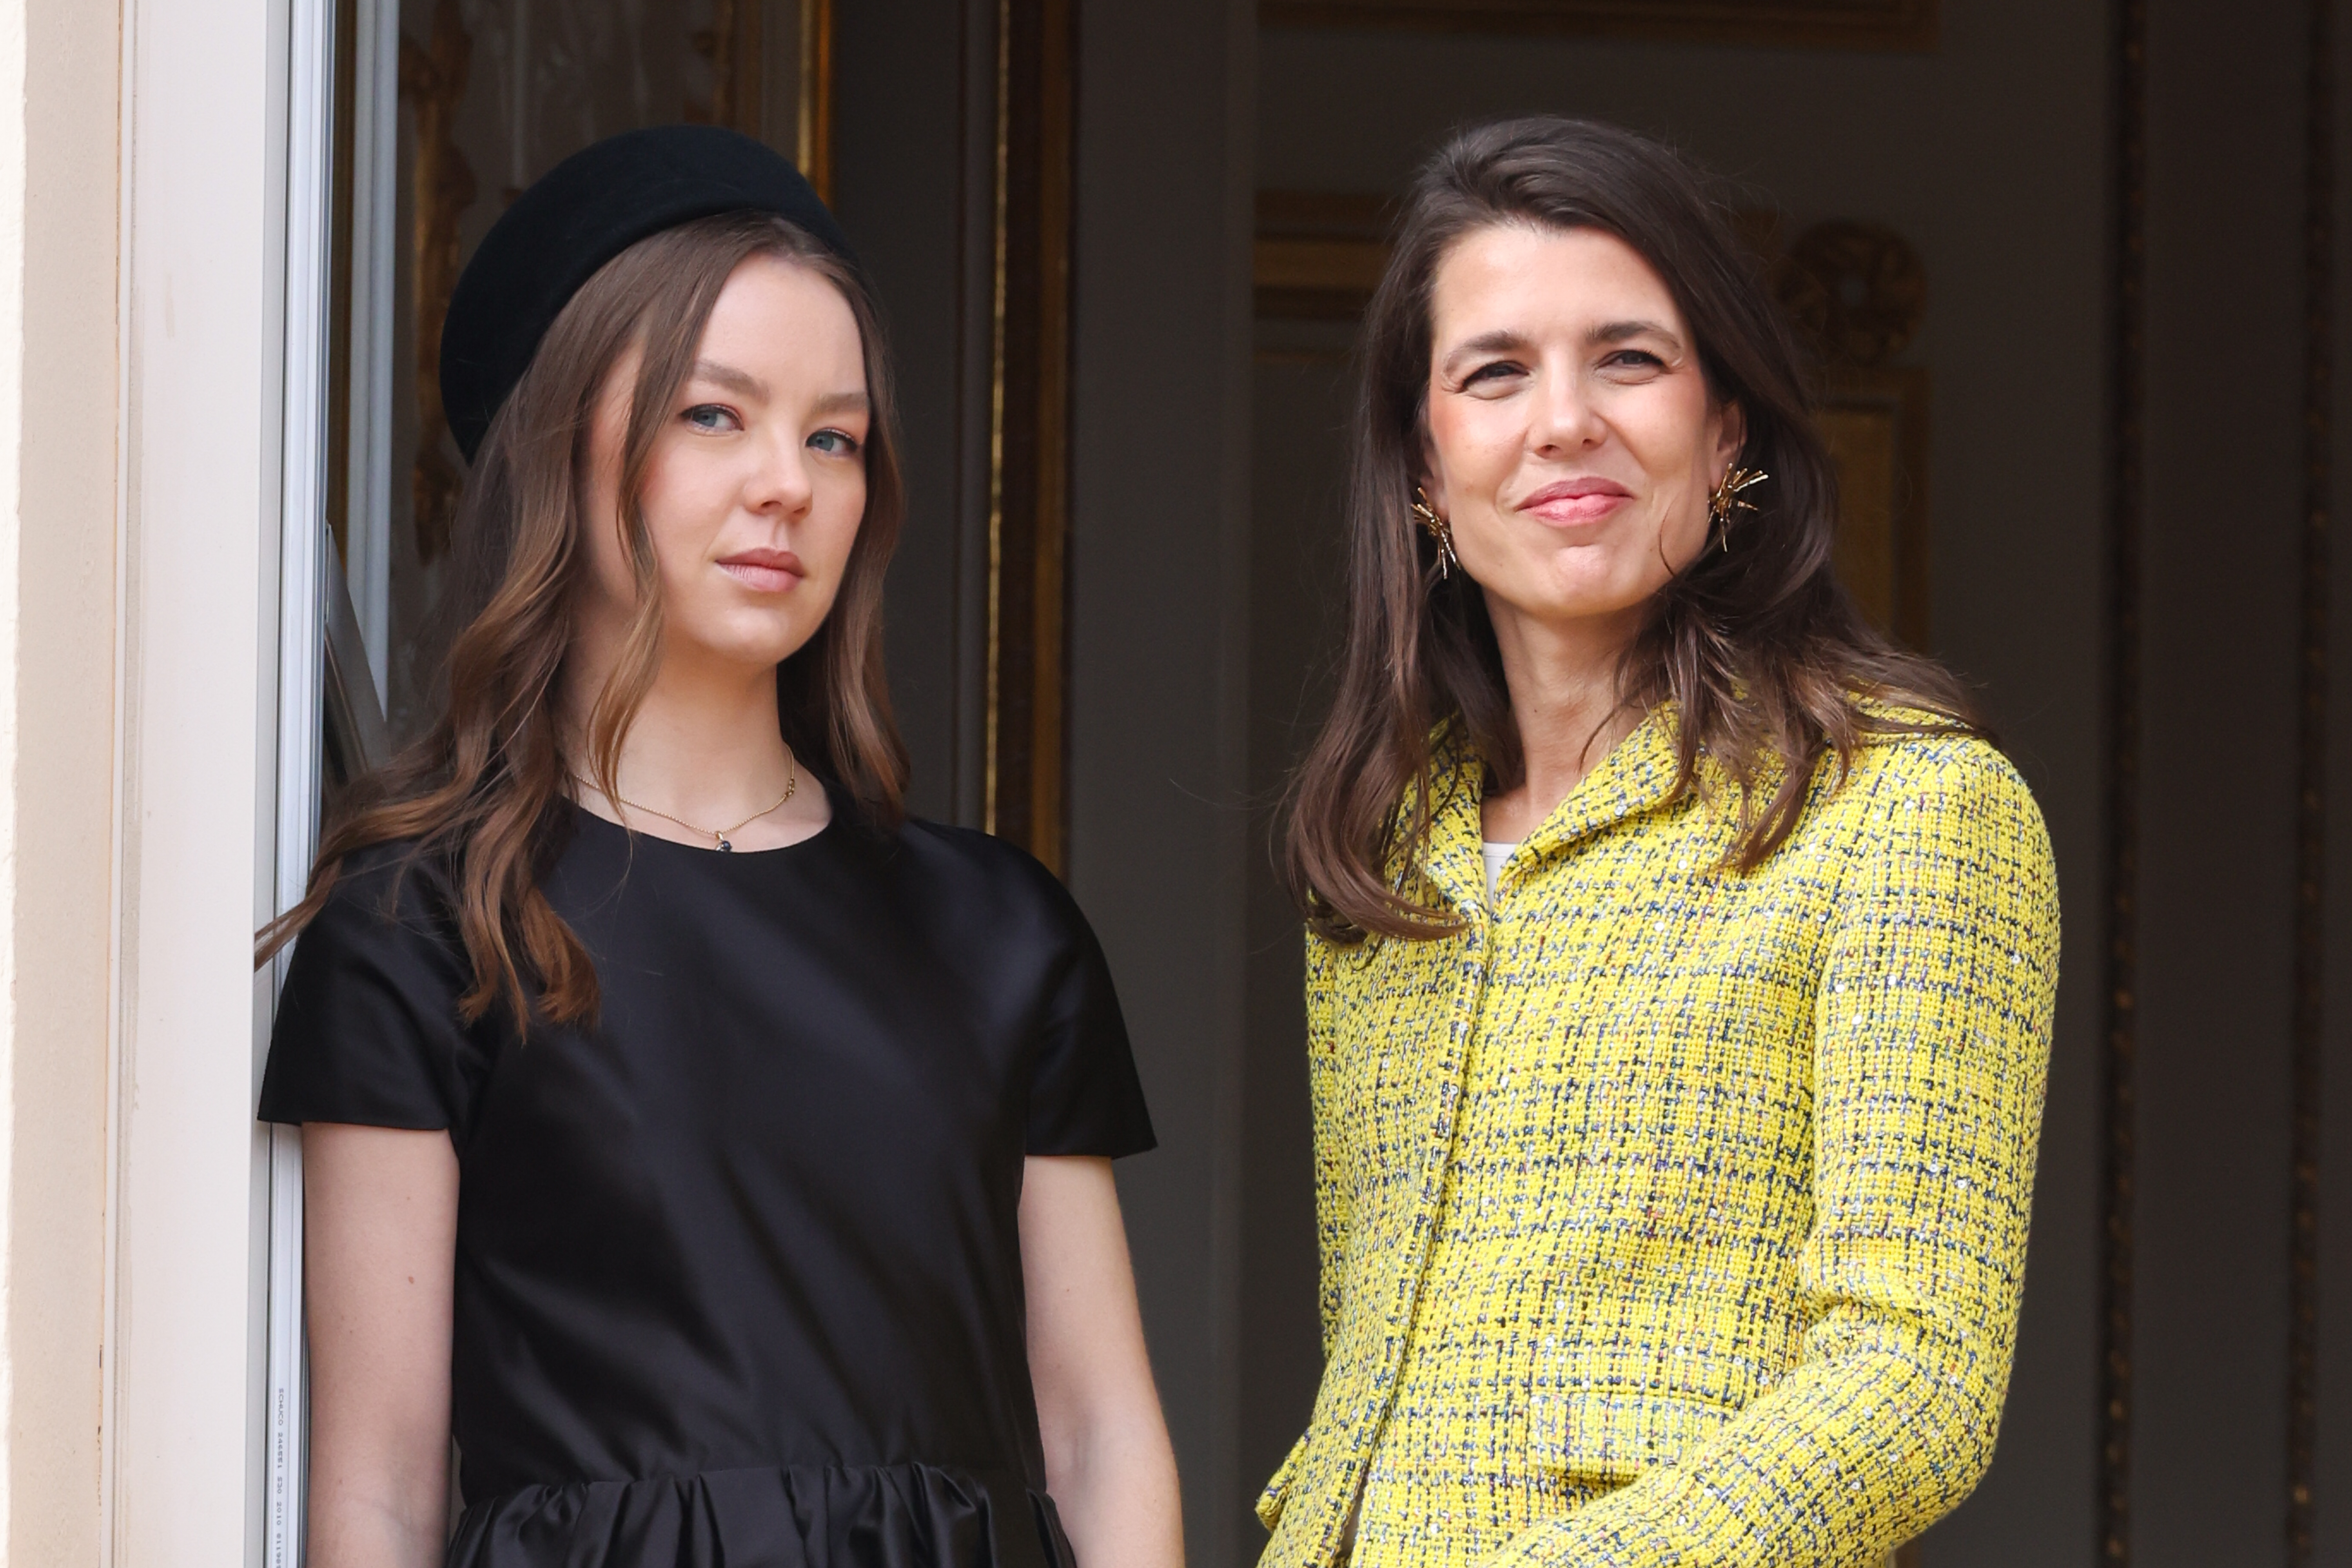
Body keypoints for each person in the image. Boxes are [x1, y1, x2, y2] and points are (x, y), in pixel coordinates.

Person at [258, 125, 1181, 1568]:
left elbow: (1101, 1434)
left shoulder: (1001, 930)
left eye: (835, 436)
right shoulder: (426, 922)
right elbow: (377, 1489)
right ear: (563, 444)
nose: (787, 485)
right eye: (713, 415)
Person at [1261, 117, 2059, 1568]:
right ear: (1427, 472)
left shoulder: (1909, 808)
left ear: (1727, 429)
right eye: (1495, 372)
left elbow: (1915, 1380)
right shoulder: (1384, 855)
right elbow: (1378, 1380)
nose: (1565, 420)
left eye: (1629, 358)